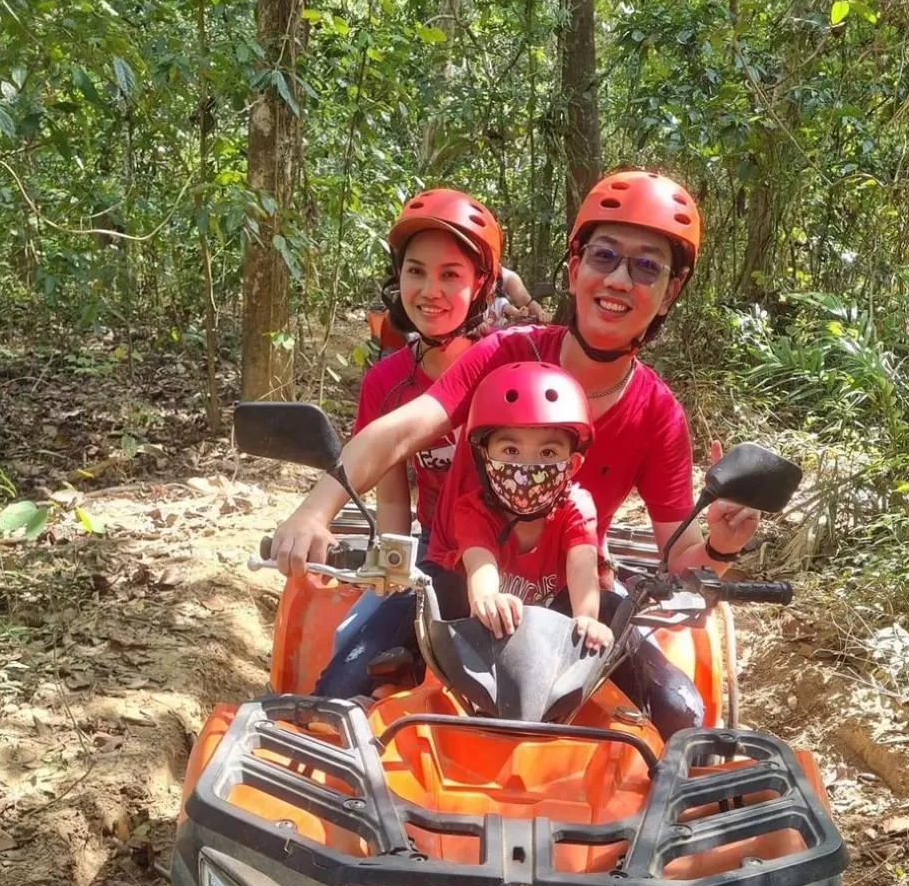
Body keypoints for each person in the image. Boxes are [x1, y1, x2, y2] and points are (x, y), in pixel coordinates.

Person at [272, 169, 760, 730]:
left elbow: (681, 557)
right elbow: (402, 430)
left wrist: (720, 545)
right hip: (452, 578)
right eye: (605, 256)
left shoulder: (659, 413)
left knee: (684, 712)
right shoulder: (505, 353)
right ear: (576, 269)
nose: (621, 279)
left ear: (671, 290)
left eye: (647, 266)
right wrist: (315, 509)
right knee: (337, 691)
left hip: (573, 595)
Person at [316, 187, 503, 697]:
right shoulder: (388, 381)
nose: (429, 289)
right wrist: (391, 571)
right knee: (347, 667)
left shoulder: (512, 366)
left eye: (451, 275)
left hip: (519, 558)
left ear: (481, 284)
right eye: (416, 271)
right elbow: (394, 494)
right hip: (433, 556)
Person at [426, 361, 611, 652]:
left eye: (548, 452)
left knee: (615, 608)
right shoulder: (473, 510)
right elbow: (480, 565)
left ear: (572, 465)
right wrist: (488, 598)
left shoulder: (576, 506)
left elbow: (583, 567)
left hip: (548, 627)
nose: (527, 467)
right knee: (428, 593)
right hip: (472, 625)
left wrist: (587, 620)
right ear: (486, 459)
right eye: (510, 450)